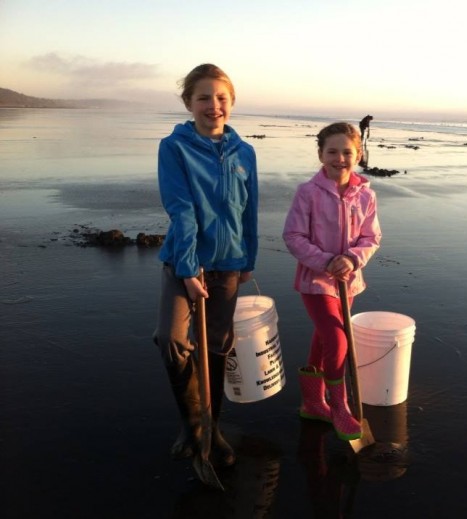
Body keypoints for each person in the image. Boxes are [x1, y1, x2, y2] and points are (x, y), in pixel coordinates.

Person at [153, 64, 259, 469]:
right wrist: (187, 268)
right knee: (172, 341)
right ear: (188, 103)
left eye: (221, 98)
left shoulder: (245, 152)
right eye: (203, 97)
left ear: (230, 103)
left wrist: (248, 260)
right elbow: (180, 210)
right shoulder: (174, 147)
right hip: (182, 262)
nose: (213, 106)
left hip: (228, 265)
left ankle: (211, 428)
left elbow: (249, 211)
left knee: (217, 346)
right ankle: (191, 423)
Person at [283, 122, 382, 441]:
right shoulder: (307, 193)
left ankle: (312, 402)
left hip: (348, 282)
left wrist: (352, 259)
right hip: (316, 282)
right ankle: (339, 405)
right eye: (332, 151)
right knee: (338, 339)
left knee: (323, 339)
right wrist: (326, 261)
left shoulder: (366, 195)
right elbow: (293, 235)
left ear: (359, 154)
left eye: (347, 152)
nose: (340, 158)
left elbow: (372, 236)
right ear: (321, 154)